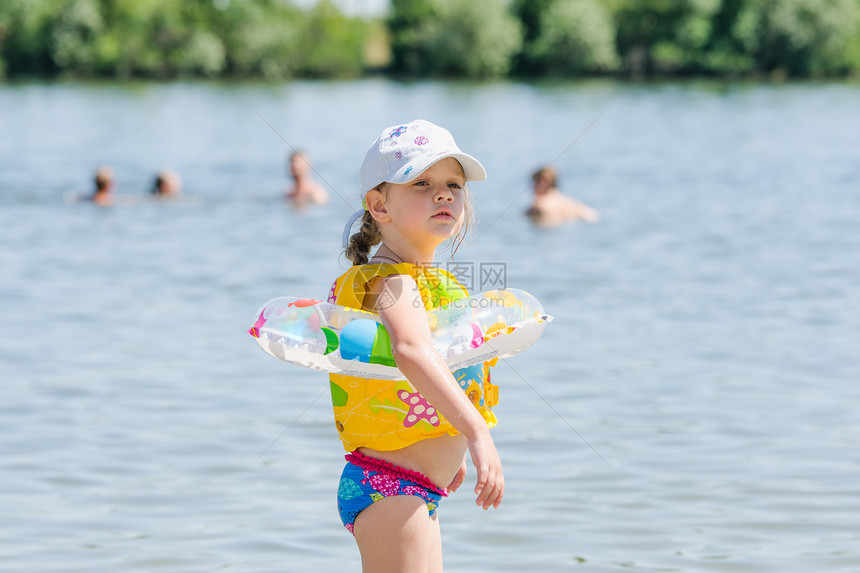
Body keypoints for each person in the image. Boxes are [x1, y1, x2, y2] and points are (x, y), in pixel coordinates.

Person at [331, 120, 503, 572]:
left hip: (415, 486)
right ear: (379, 205)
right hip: (390, 487)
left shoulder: (432, 284)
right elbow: (410, 350)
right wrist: (475, 432)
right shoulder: (390, 281)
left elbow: (436, 366)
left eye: (453, 184)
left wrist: (448, 444)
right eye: (421, 183)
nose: (443, 194)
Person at [525, 165, 599, 226]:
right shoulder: (563, 200)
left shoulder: (543, 204)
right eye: (535, 181)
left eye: (539, 181)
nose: (535, 185)